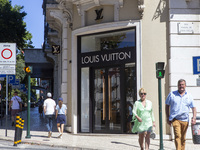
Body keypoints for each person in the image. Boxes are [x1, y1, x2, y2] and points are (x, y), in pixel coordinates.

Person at [165, 79, 196, 150]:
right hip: (175, 119)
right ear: (177, 85)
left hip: (185, 120)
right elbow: (167, 105)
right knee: (178, 136)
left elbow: (193, 108)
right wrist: (167, 117)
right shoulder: (172, 94)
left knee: (183, 138)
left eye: (182, 84)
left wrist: (194, 118)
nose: (181, 86)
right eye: (180, 85)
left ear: (185, 86)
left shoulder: (189, 96)